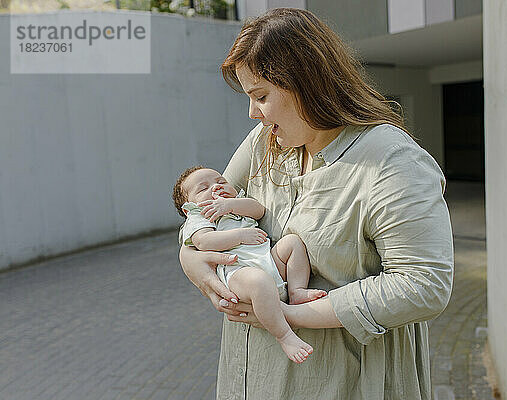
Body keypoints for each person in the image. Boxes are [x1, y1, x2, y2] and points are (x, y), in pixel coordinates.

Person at [179, 8, 454, 399]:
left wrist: (286, 314)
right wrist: (190, 259)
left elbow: (424, 285)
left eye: (261, 96)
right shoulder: (264, 141)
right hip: (251, 377)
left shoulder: (392, 160)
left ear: (306, 82)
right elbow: (205, 208)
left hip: (343, 382)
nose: (252, 113)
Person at [172, 165, 327, 363]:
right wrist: (240, 235)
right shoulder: (198, 216)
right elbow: (204, 242)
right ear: (188, 207)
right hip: (238, 271)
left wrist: (229, 205)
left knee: (292, 243)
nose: (215, 188)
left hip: (269, 261)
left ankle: (297, 291)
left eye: (220, 181)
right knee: (259, 281)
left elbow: (259, 210)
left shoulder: (236, 203)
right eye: (203, 189)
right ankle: (285, 336)